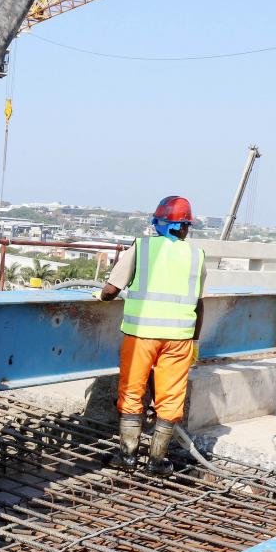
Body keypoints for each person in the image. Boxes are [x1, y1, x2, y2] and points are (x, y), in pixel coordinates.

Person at [95, 195, 206, 476]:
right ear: (184, 227)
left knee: (132, 392)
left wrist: (103, 296)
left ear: (158, 224)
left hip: (141, 335)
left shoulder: (142, 247)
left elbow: (110, 290)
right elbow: (199, 302)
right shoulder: (196, 255)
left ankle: (128, 457)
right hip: (180, 338)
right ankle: (157, 461)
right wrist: (194, 341)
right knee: (171, 398)